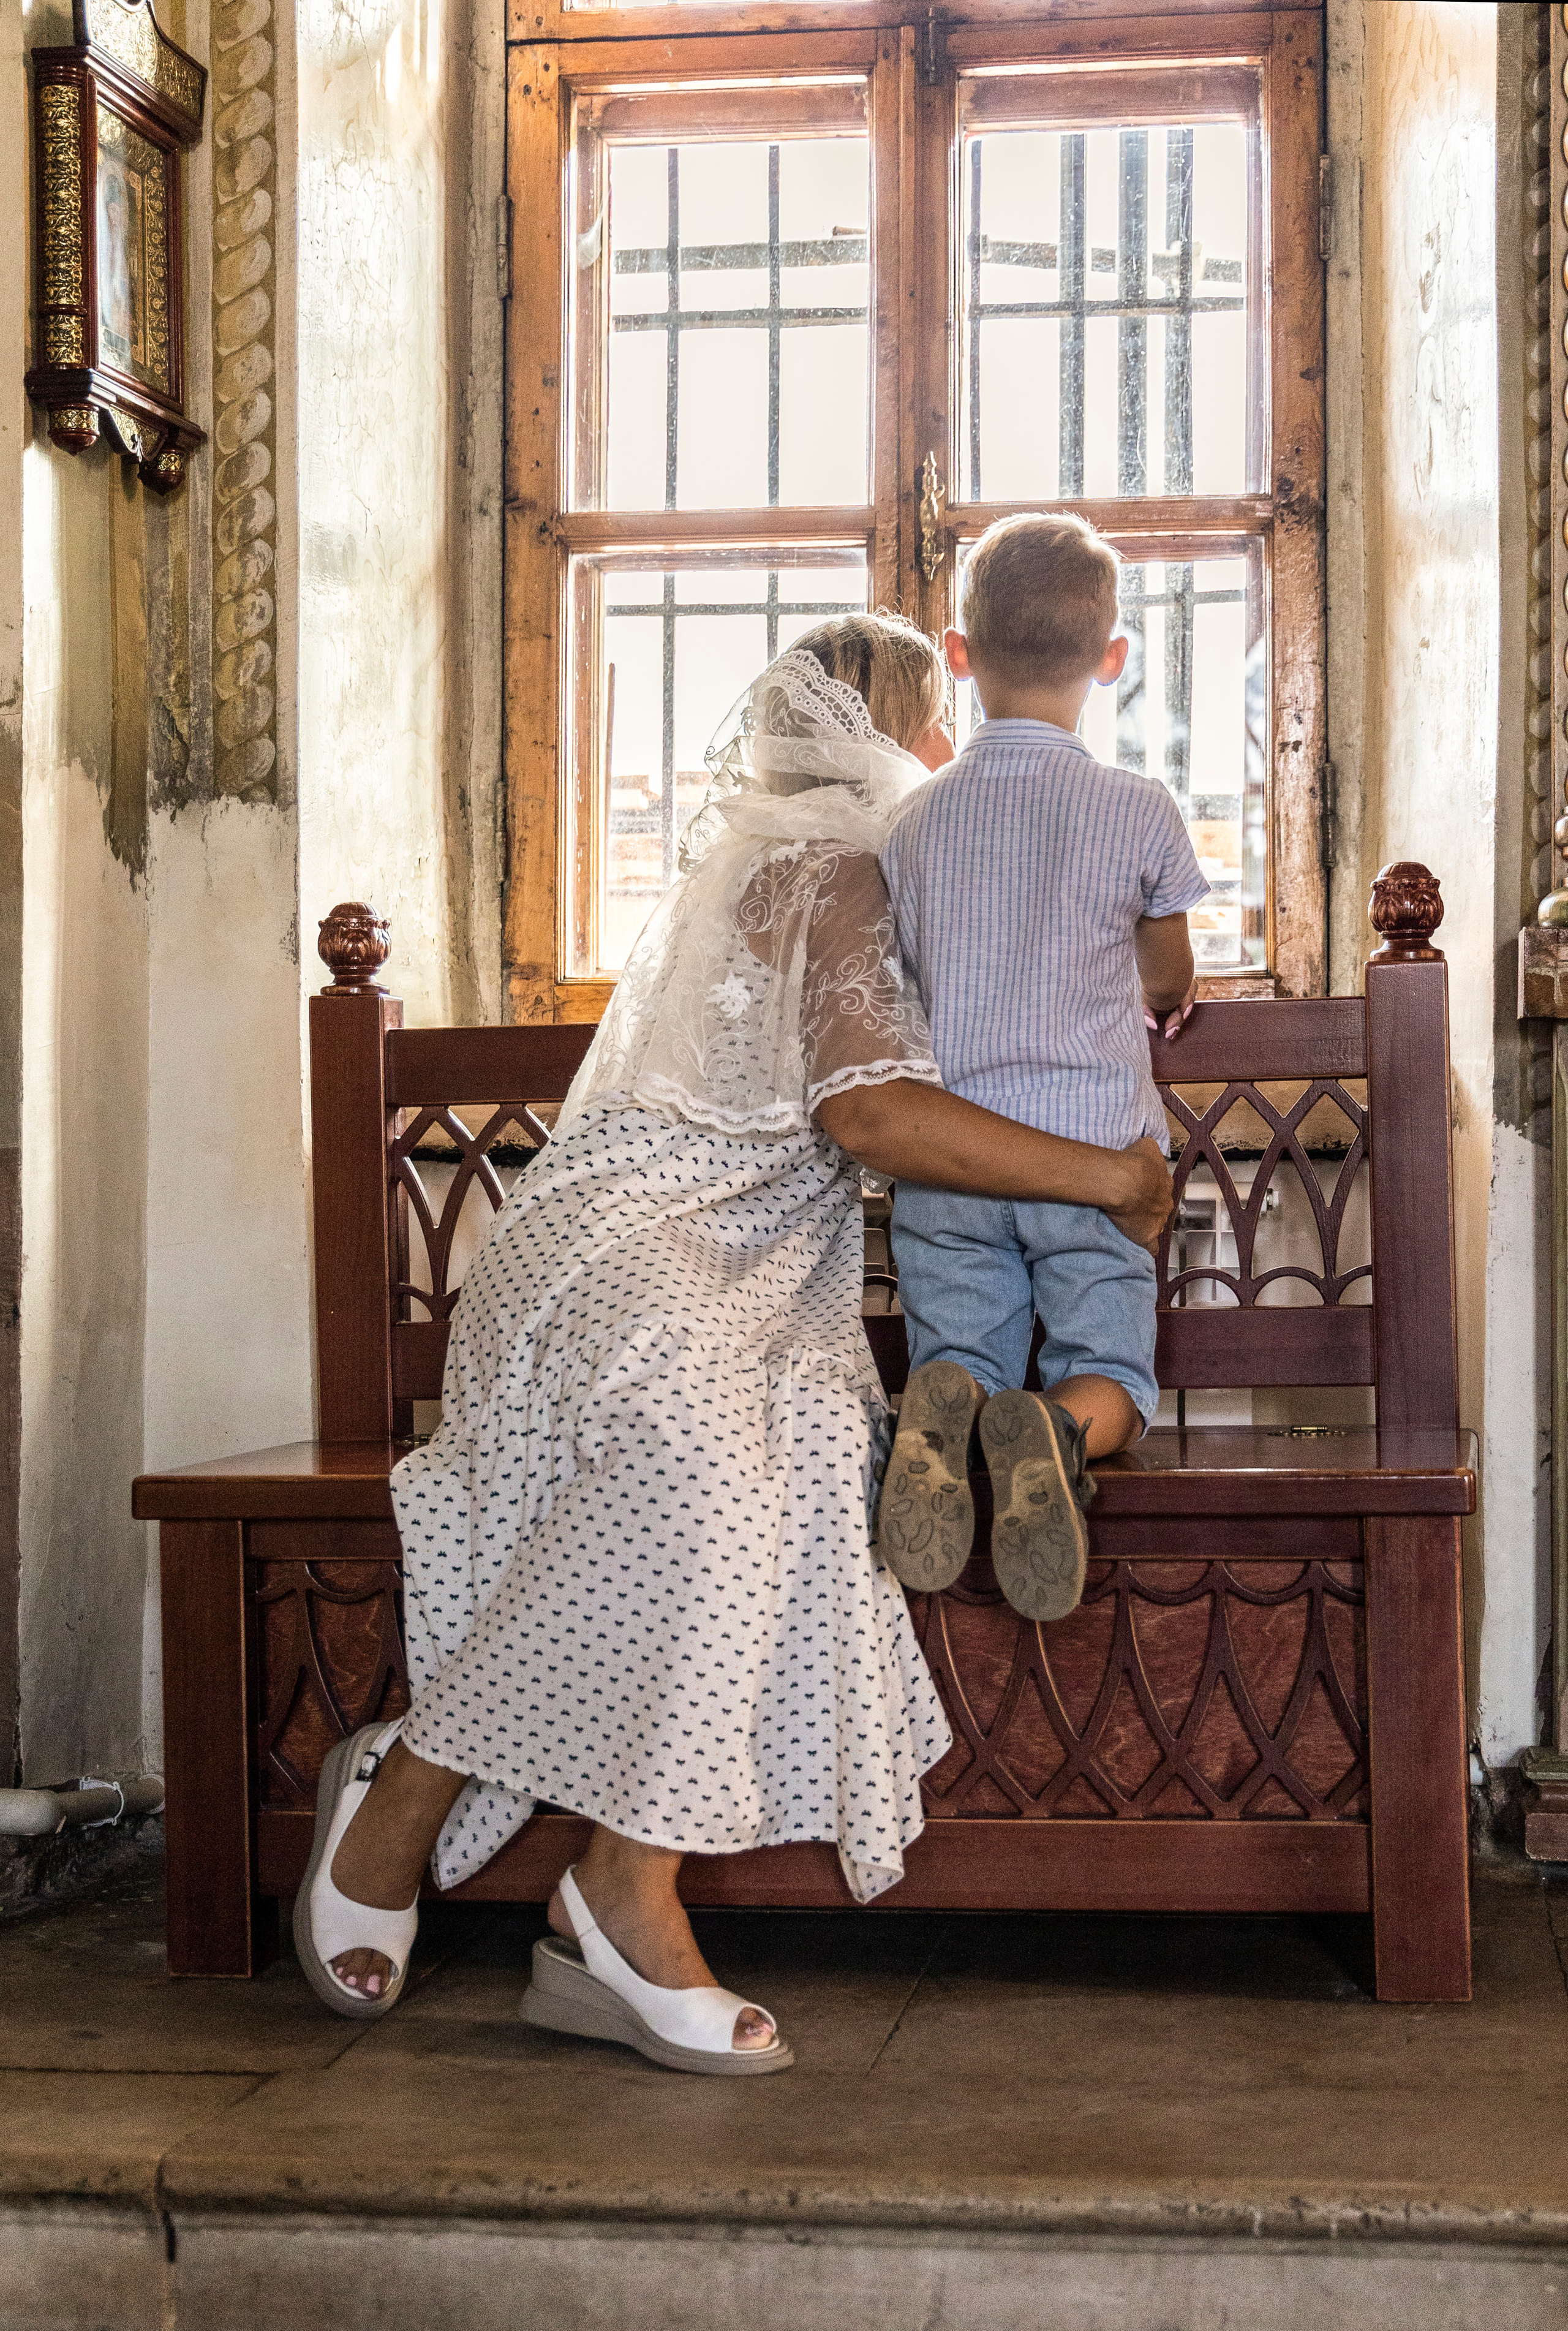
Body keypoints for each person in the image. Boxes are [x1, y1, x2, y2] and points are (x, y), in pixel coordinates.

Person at [292, 614, 1174, 2077]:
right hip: (640, 1247)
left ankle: (602, 1879)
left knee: (809, 1457)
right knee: (701, 1459)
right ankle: (447, 1800)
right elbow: (871, 1118)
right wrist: (1112, 1179)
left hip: (741, 1271)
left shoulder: (826, 861)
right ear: (905, 735)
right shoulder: (829, 866)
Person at [877, 514, 1209, 1630]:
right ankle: (1062, 1430)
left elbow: (904, 981)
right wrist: (1162, 994)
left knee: (958, 1346)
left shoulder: (910, 826)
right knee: (1109, 1357)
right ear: (1111, 660)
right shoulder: (1139, 811)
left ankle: (948, 1409)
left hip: (951, 1165)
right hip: (1098, 1162)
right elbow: (1167, 974)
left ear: (959, 656)